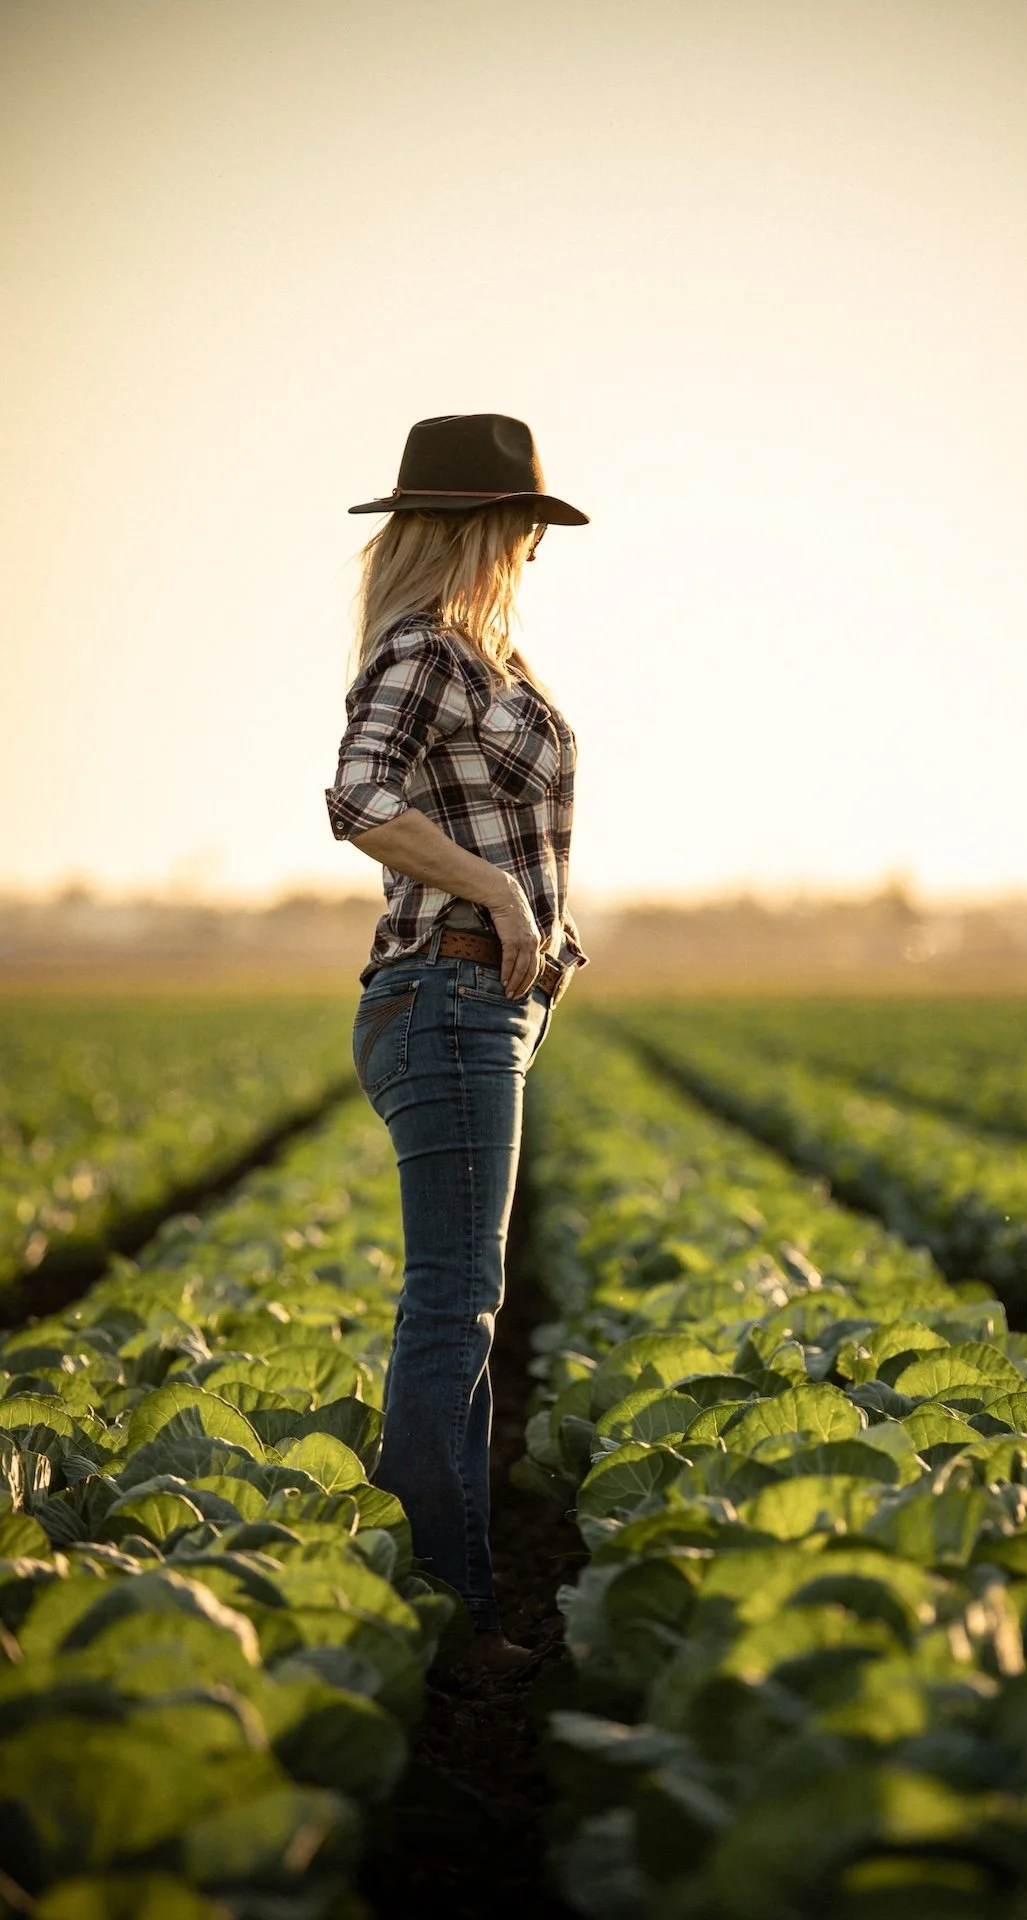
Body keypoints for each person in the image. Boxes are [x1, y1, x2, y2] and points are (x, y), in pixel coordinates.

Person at [325, 413, 589, 1672]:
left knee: (461, 1305)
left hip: (474, 1008)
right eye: (527, 529)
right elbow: (357, 797)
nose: (536, 551)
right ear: (483, 530)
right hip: (448, 998)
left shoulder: (495, 660)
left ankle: (447, 1593)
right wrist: (498, 894)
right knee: (452, 1308)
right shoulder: (426, 651)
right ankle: (445, 1611)